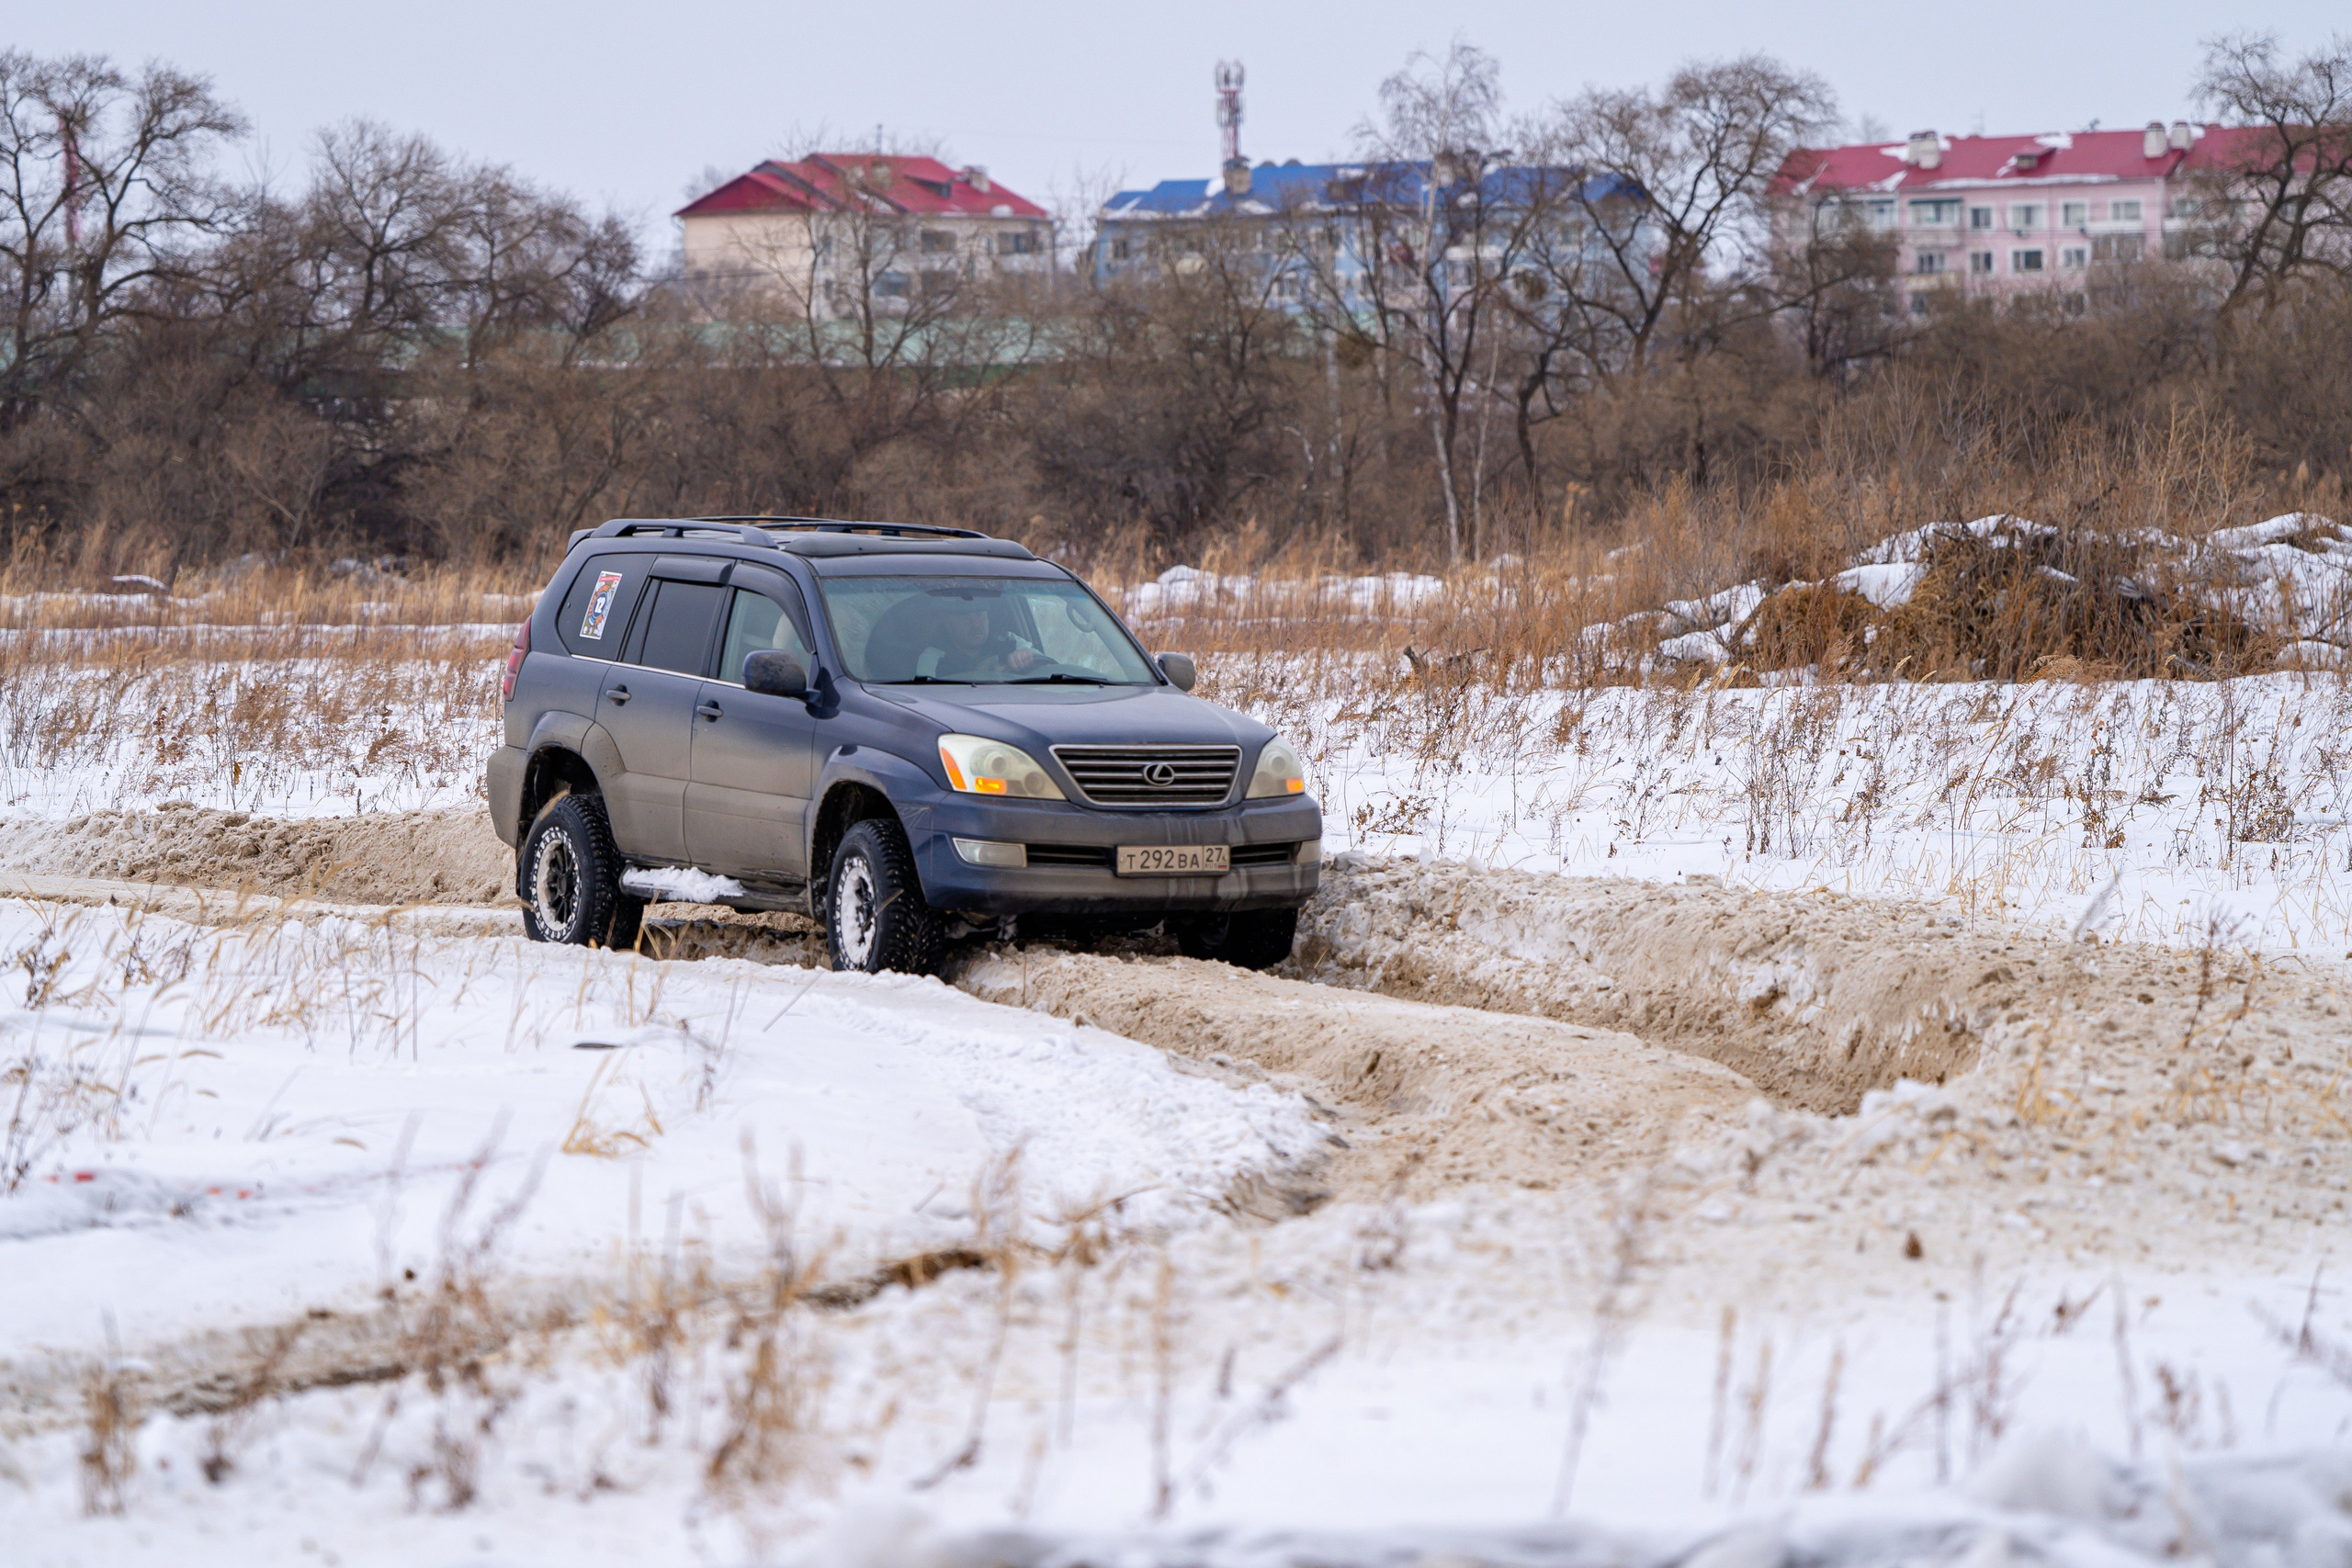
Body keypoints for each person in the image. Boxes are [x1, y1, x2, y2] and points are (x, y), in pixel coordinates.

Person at [917, 596, 1039, 678]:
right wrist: (982, 675)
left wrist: (1027, 659)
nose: (975, 624)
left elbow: (1046, 665)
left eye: (980, 615)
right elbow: (927, 699)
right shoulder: (933, 658)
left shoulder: (1010, 642)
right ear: (948, 624)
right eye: (964, 618)